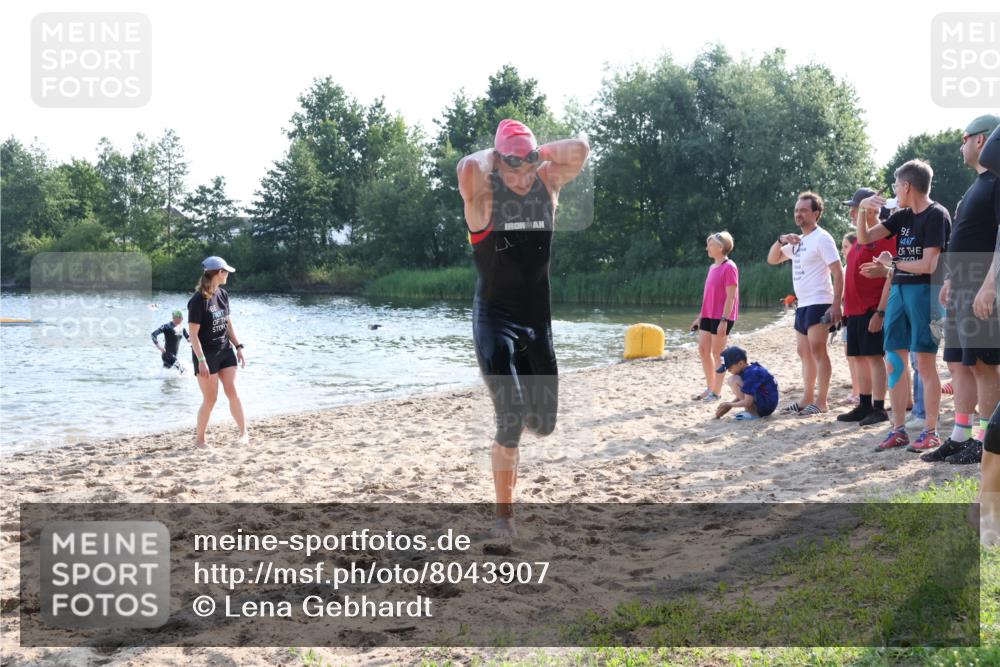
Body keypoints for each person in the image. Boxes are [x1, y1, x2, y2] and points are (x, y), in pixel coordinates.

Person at [457, 119, 589, 537]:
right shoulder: (483, 197)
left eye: (528, 166)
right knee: (511, 415)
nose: (521, 177)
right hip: (494, 320)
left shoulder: (547, 186)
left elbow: (581, 149)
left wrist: (534, 154)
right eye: (511, 168)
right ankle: (504, 520)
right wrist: (497, 157)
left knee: (544, 424)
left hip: (537, 324)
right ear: (496, 164)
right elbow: (466, 170)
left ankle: (509, 440)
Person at [856, 160, 951, 452]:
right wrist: (863, 211)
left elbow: (929, 264)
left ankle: (930, 431)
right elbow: (864, 238)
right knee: (893, 360)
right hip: (899, 289)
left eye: (897, 184)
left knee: (924, 362)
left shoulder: (937, 214)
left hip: (925, 294)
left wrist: (893, 263)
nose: (895, 189)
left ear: (907, 186)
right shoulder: (903, 216)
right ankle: (898, 429)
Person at [923, 115, 1000, 465]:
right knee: (959, 362)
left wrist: (990, 285)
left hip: (982, 285)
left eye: (965, 138)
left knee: (983, 364)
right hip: (963, 285)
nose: (961, 144)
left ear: (981, 140)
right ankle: (960, 435)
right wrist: (952, 278)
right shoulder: (976, 185)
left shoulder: (997, 181)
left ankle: (985, 441)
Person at [766, 192, 845, 415]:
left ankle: (822, 401)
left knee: (818, 350)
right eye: (796, 210)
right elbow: (772, 259)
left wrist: (836, 304)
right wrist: (781, 240)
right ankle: (806, 398)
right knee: (803, 351)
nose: (798, 214)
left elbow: (838, 273)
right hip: (803, 305)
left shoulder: (822, 238)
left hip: (820, 301)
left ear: (816, 213)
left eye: (803, 210)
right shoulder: (797, 242)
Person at [836, 189, 895, 426]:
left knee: (874, 357)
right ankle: (864, 404)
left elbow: (890, 276)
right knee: (859, 357)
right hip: (854, 310)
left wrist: (880, 312)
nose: (852, 212)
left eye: (856, 207)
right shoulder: (860, 238)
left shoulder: (884, 235)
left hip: (871, 308)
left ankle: (879, 408)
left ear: (871, 208)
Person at [187, 256, 248, 448]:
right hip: (206, 355)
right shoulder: (198, 300)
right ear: (219, 273)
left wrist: (238, 347)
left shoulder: (223, 294)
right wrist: (202, 360)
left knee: (233, 391)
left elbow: (228, 323)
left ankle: (243, 433)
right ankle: (200, 440)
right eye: (226, 271)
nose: (228, 274)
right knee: (211, 399)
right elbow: (193, 335)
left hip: (225, 350)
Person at [691, 231, 739, 402]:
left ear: (721, 247)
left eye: (710, 245)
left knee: (717, 353)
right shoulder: (712, 267)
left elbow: (731, 297)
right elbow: (707, 296)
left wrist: (724, 320)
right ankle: (710, 388)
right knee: (703, 350)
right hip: (707, 315)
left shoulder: (730, 267)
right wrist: (699, 317)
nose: (707, 248)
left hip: (722, 317)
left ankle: (716, 393)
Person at [714, 346, 779, 420]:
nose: (728, 371)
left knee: (733, 380)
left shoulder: (751, 374)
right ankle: (753, 411)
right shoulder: (750, 369)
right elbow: (747, 393)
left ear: (741, 363)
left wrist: (728, 404)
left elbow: (748, 402)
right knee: (734, 379)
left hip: (765, 407)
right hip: (768, 403)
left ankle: (754, 414)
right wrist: (729, 405)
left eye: (729, 368)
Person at [840, 232, 861, 406]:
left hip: (855, 314)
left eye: (846, 246)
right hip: (846, 315)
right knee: (849, 355)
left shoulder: (856, 264)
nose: (843, 251)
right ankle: (856, 390)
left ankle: (860, 391)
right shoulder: (845, 267)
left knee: (858, 356)